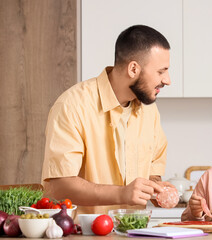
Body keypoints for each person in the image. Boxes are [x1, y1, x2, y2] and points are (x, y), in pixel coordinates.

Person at [41, 25, 173, 215]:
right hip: (83, 234)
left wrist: (155, 188)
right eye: (161, 71)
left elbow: (153, 171)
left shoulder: (149, 111)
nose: (168, 80)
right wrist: (122, 194)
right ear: (133, 68)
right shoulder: (72, 105)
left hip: (134, 232)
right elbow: (59, 186)